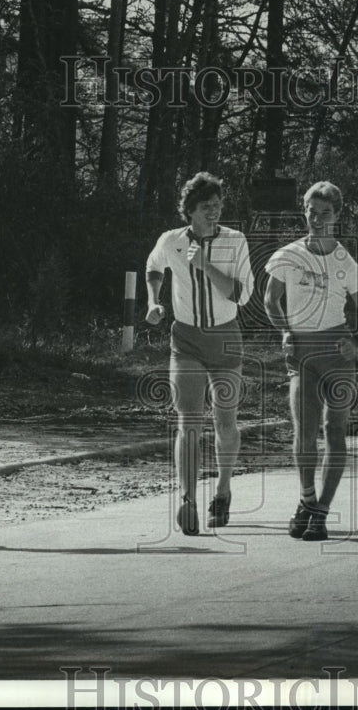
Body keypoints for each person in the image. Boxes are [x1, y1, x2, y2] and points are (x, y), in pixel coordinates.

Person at [264, 181, 358, 541]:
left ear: (337, 216)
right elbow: (271, 301)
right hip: (302, 353)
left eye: (324, 213)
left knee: (334, 430)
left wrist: (356, 342)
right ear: (304, 211)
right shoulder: (288, 255)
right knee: (303, 433)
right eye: (311, 211)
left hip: (336, 355)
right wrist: (285, 332)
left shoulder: (344, 260)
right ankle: (306, 499)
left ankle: (322, 513)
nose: (316, 219)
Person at [145, 172, 253, 535]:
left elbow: (241, 294)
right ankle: (187, 499)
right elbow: (153, 267)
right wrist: (153, 301)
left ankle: (222, 490)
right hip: (186, 339)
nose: (214, 212)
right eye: (207, 207)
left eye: (218, 206)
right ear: (190, 210)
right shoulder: (170, 240)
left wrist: (205, 266)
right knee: (188, 420)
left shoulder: (236, 242)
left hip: (225, 340)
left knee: (225, 421)